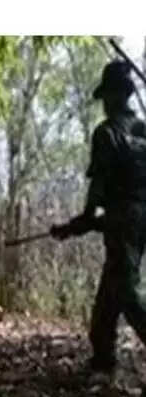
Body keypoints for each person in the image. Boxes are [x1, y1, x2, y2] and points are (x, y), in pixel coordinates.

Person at [51, 60, 146, 375]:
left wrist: (85, 218)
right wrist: (84, 223)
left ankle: (103, 360)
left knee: (127, 292)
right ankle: (103, 360)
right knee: (111, 289)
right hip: (137, 220)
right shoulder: (143, 129)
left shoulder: (106, 133)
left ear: (117, 95)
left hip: (124, 219)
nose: (105, 103)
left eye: (107, 96)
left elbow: (100, 185)